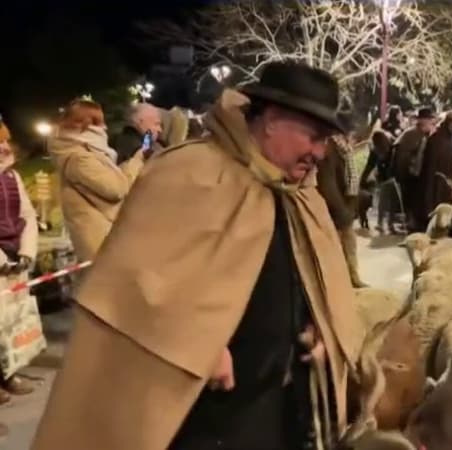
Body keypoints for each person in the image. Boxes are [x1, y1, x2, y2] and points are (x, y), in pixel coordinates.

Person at [32, 62, 366, 450]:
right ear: (272, 120)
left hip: (278, 407)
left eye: (325, 141)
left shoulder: (302, 195)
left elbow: (315, 278)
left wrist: (319, 327)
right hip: (198, 414)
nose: (319, 153)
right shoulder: (191, 171)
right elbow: (131, 285)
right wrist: (196, 342)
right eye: (314, 136)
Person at [48, 99, 145, 263]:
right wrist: (137, 161)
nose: (105, 128)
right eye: (100, 123)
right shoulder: (79, 158)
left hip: (107, 239)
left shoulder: (85, 152)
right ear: (88, 124)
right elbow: (117, 188)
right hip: (101, 244)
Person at [0, 121, 39, 438]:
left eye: (6, 141)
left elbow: (26, 215)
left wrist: (25, 253)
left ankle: (7, 375)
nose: (4, 147)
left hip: (14, 262)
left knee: (11, 326)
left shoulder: (11, 177)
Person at [317, 115, 368, 288]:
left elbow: (350, 178)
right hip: (335, 211)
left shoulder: (342, 149)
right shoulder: (329, 148)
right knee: (337, 250)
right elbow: (327, 184)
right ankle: (343, 284)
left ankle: (352, 279)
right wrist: (342, 211)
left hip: (344, 206)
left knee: (348, 247)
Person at [394, 108, 436, 232]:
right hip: (408, 174)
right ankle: (411, 223)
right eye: (430, 120)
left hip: (409, 173)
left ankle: (411, 222)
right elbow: (405, 156)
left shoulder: (415, 133)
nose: (431, 124)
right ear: (423, 121)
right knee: (411, 200)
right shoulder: (413, 134)